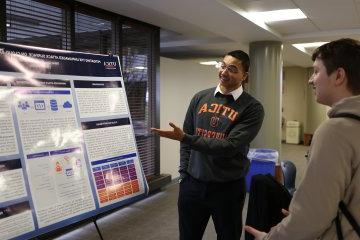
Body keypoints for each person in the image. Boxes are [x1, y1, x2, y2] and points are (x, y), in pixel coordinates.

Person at [245, 38, 360, 239]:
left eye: (316, 71)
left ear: (339, 75)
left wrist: (269, 238)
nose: (310, 79)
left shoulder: (335, 132)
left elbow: (313, 217)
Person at [151, 50, 264, 240]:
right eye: (223, 65)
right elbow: (187, 138)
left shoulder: (252, 108)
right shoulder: (200, 98)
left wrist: (186, 138)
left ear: (244, 76)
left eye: (233, 69)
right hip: (193, 185)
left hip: (227, 189)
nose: (224, 72)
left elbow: (229, 146)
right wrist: (183, 174)